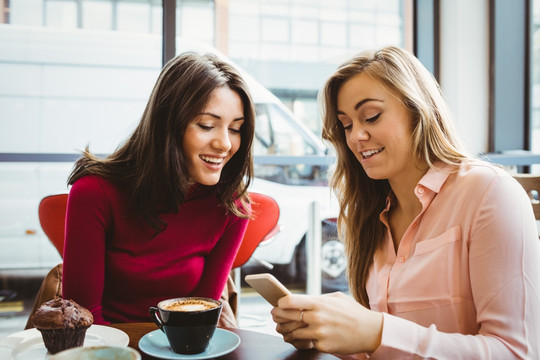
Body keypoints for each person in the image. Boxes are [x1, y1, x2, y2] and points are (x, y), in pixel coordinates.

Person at [271, 46, 540, 359]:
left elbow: (517, 352)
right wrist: (328, 333)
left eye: (370, 116)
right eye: (346, 125)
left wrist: (376, 332)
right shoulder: (370, 213)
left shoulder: (489, 193)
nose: (356, 135)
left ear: (417, 109)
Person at [62, 52, 255, 325]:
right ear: (168, 123)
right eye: (207, 125)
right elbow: (84, 321)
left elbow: (199, 318)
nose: (225, 144)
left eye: (236, 128)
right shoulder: (94, 193)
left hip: (181, 346)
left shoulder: (230, 206)